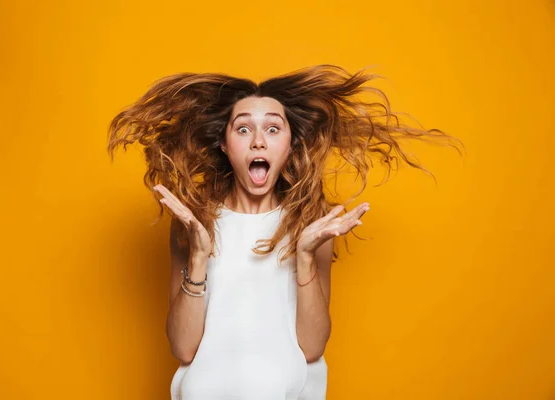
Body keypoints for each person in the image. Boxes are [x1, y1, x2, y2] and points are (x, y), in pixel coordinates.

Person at [107, 64, 464, 399]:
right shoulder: (195, 222)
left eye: (273, 128)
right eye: (243, 128)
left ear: (290, 145)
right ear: (224, 144)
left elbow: (311, 346)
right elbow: (183, 347)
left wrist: (305, 255)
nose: (258, 141)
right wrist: (199, 255)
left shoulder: (311, 222)